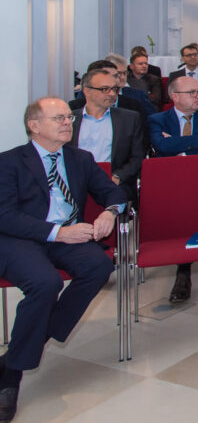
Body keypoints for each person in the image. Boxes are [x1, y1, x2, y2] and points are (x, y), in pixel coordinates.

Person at [0, 97, 128, 420]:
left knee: (99, 265)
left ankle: (13, 357)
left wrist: (110, 213)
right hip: (21, 239)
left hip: (66, 237)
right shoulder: (9, 162)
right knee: (46, 283)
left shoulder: (80, 158)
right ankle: (12, 377)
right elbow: (5, 216)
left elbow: (114, 192)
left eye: (68, 118)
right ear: (34, 125)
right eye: (58, 118)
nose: (67, 123)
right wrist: (58, 233)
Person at [148, 76, 198, 302]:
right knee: (178, 209)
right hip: (172, 182)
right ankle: (183, 268)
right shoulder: (157, 119)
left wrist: (182, 150)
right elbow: (161, 146)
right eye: (191, 92)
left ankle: (185, 267)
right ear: (174, 97)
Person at [69, 69, 147, 203]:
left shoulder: (129, 119)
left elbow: (137, 157)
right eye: (105, 89)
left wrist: (117, 177)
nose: (112, 94)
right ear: (87, 91)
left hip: (113, 184)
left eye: (114, 89)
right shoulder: (69, 120)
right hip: (74, 184)